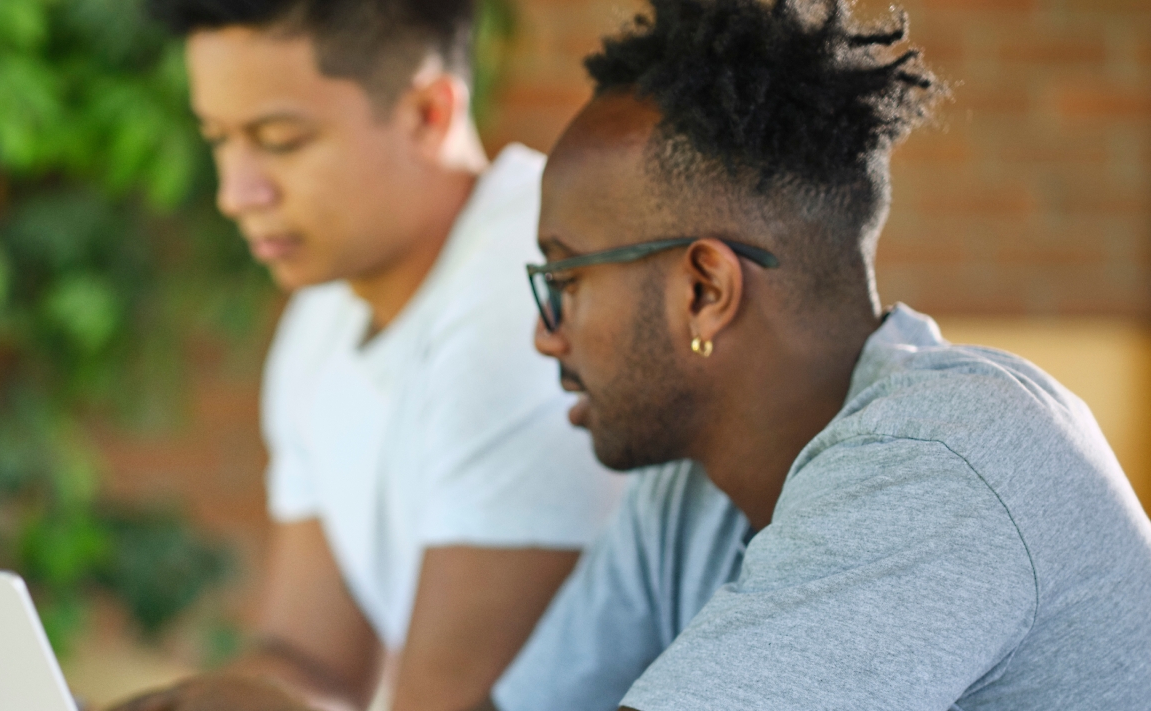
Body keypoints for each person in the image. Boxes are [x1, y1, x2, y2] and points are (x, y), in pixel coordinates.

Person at [492, 0, 1151, 708]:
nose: (546, 332)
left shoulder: (945, 453)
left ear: (705, 289)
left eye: (564, 279)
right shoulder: (684, 494)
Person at [120, 2, 626, 711]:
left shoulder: (525, 290)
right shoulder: (320, 320)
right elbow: (312, 664)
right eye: (219, 139)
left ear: (427, 113)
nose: (237, 193)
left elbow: (449, 703)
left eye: (280, 140)